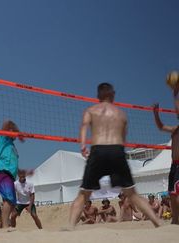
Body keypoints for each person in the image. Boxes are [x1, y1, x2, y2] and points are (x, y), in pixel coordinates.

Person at [68, 83, 161, 229]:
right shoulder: (121, 114)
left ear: (98, 95)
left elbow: (84, 127)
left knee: (83, 194)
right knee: (132, 194)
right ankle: (157, 223)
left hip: (98, 150)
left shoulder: (91, 110)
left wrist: (82, 146)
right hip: (116, 150)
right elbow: (123, 140)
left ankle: (70, 226)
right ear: (113, 95)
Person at [0, 120, 25, 229]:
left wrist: (24, 172)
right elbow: (7, 122)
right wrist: (18, 131)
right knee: (9, 200)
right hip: (3, 173)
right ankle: (6, 226)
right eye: (12, 131)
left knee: (9, 202)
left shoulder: (12, 146)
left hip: (9, 176)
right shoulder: (4, 139)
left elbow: (14, 165)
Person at [153, 103, 179, 224]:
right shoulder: (175, 129)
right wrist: (156, 113)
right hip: (174, 165)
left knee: (177, 195)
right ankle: (175, 220)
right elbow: (161, 127)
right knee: (172, 194)